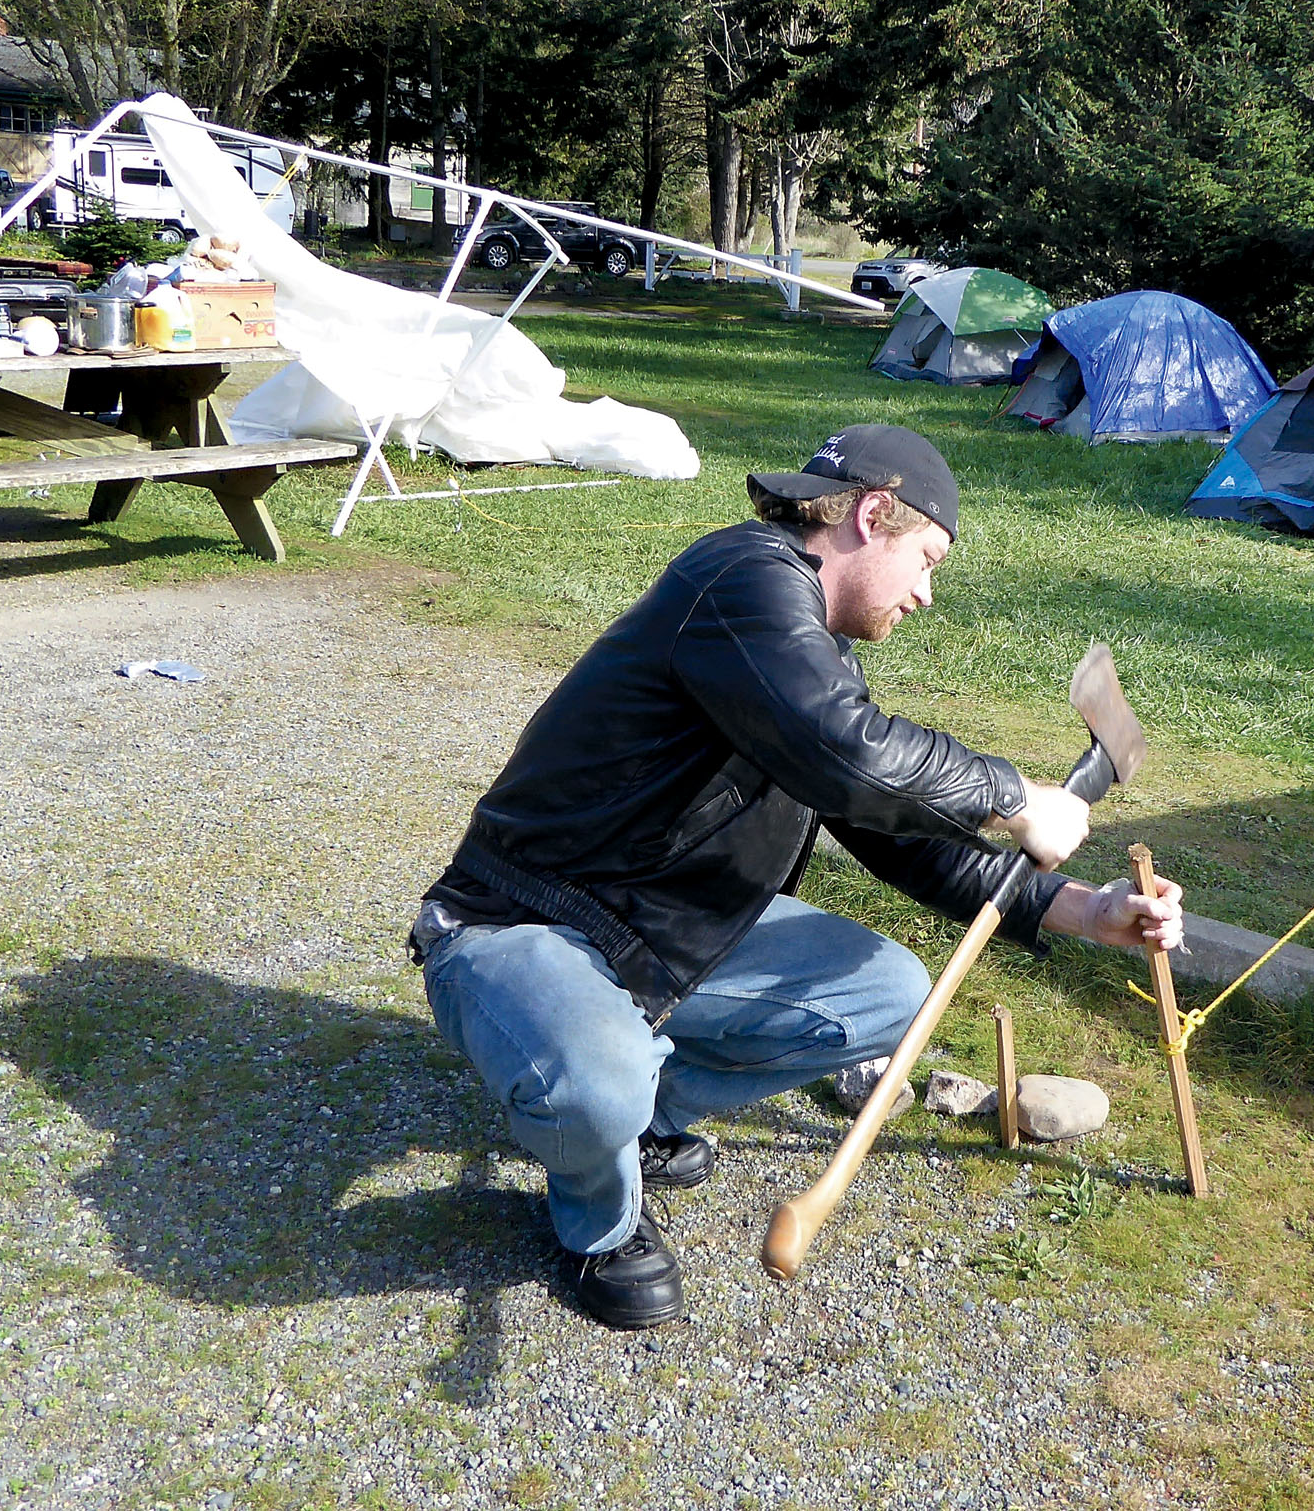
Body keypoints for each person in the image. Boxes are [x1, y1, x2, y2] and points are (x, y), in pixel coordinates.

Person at [410, 424, 1184, 1329]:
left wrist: (1081, 909)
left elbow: (883, 820)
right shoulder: (741, 578)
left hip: (660, 937)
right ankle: (598, 1217)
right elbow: (847, 753)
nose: (927, 593)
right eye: (926, 558)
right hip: (525, 923)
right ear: (868, 516)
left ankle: (644, 1109)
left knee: (888, 989)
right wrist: (1013, 795)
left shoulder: (804, 651)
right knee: (591, 1085)